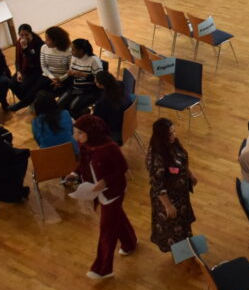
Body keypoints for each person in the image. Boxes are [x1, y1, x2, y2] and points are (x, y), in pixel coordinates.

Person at [70, 114, 137, 278]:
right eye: (75, 133)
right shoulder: (86, 145)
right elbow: (84, 163)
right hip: (97, 190)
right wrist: (74, 173)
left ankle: (102, 269)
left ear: (91, 132)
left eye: (79, 133)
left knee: (107, 231)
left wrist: (106, 182)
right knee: (117, 218)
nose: (75, 137)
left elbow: (122, 168)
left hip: (113, 192)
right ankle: (129, 243)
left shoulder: (110, 147)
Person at [147, 117, 198, 252]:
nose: (173, 136)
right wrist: (168, 206)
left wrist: (190, 175)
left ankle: (187, 248)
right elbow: (157, 185)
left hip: (180, 195)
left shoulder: (173, 143)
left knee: (183, 224)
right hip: (169, 199)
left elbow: (181, 162)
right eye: (170, 133)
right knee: (173, 229)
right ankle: (181, 254)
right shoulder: (156, 157)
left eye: (174, 131)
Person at [58, 38, 104, 117]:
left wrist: (83, 74)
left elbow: (100, 80)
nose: (71, 52)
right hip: (75, 88)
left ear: (81, 51)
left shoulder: (94, 60)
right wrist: (60, 79)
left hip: (89, 90)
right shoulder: (74, 57)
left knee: (73, 107)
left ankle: (80, 119)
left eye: (73, 50)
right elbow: (70, 72)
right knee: (59, 104)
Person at [9, 24, 45, 111]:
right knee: (11, 84)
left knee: (24, 86)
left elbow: (34, 61)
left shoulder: (38, 43)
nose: (24, 37)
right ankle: (27, 101)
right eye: (21, 35)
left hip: (36, 70)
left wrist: (25, 48)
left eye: (26, 35)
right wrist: (18, 72)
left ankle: (26, 101)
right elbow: (17, 60)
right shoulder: (18, 42)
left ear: (30, 33)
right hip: (24, 70)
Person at [91, 71, 130, 145]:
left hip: (114, 131)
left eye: (96, 82)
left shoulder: (103, 102)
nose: (94, 82)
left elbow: (96, 120)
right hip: (126, 125)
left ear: (101, 85)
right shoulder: (121, 85)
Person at [39, 26, 74, 97]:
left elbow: (71, 70)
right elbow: (44, 67)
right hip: (49, 76)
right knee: (38, 91)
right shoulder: (43, 48)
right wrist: (53, 79)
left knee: (63, 92)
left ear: (56, 41)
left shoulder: (69, 51)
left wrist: (60, 79)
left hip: (64, 77)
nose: (45, 41)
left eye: (48, 40)